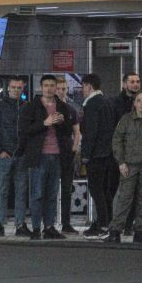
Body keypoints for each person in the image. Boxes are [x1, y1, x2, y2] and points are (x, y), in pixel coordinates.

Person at [19, 74, 75, 239]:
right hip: (39, 156)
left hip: (57, 155)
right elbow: (24, 130)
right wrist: (45, 123)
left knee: (52, 194)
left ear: (56, 88)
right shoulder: (31, 107)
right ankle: (36, 227)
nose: (49, 89)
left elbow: (68, 132)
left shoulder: (62, 107)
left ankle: (49, 227)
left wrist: (62, 123)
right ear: (41, 87)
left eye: (52, 85)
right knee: (37, 194)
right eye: (46, 85)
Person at [104, 91, 142, 243]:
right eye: (139, 100)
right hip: (129, 165)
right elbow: (117, 141)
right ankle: (115, 231)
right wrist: (121, 162)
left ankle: (139, 231)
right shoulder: (126, 120)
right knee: (124, 198)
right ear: (134, 103)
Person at [0, 76, 30, 237]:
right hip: (4, 155)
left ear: (23, 88)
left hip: (21, 155)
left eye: (19, 88)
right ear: (8, 88)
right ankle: (0, 224)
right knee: (2, 190)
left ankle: (20, 224)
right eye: (13, 87)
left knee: (21, 191)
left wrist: (25, 151)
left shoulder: (26, 106)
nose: (16, 90)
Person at [80, 73, 117, 239]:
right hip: (108, 154)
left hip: (95, 155)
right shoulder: (108, 102)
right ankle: (109, 223)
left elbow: (90, 132)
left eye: (83, 87)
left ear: (89, 86)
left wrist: (86, 154)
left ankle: (102, 225)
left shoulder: (92, 104)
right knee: (104, 190)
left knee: (96, 190)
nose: (82, 90)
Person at [112, 72, 142, 235]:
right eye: (132, 81)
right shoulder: (116, 103)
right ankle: (115, 225)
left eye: (137, 81)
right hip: (122, 153)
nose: (135, 84)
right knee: (120, 191)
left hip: (141, 154)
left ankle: (130, 226)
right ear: (124, 84)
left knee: (137, 192)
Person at [55, 76, 82, 234]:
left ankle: (66, 223)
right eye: (58, 89)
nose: (61, 91)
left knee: (66, 189)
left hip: (67, 153)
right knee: (49, 189)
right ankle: (49, 223)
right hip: (51, 153)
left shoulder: (71, 110)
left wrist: (73, 149)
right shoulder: (47, 108)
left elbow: (77, 132)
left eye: (63, 89)